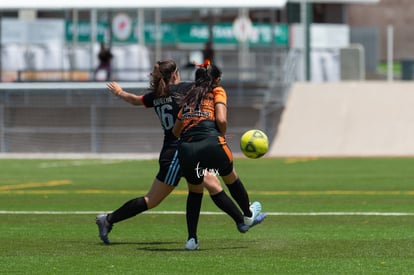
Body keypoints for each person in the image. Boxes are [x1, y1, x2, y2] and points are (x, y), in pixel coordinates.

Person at [96, 60, 264, 250]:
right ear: (175, 74)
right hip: (177, 151)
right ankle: (108, 219)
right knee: (152, 200)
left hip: (180, 147)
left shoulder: (155, 96)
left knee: (213, 183)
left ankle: (241, 221)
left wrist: (119, 93)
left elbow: (135, 100)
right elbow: (203, 86)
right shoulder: (182, 89)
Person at [172, 62, 266, 233]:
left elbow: (176, 131)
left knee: (194, 191)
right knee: (231, 178)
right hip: (212, 143)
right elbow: (221, 120)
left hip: (187, 149)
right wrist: (219, 134)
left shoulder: (189, 97)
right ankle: (247, 213)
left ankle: (191, 239)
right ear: (216, 80)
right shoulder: (218, 91)